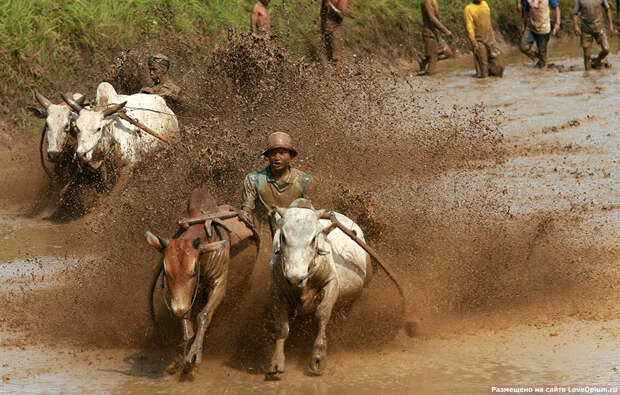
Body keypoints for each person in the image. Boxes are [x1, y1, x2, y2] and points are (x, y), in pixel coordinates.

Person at [240, 132, 315, 236]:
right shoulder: (253, 180)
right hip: (262, 234)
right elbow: (246, 210)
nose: (277, 157)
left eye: (282, 153)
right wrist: (245, 215)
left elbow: (311, 214)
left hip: (294, 234)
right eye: (273, 154)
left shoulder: (304, 181)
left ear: (291, 156)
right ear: (268, 156)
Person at [464, 0, 506, 78]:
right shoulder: (469, 8)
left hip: (490, 39)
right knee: (483, 68)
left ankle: (493, 81)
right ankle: (484, 83)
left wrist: (493, 37)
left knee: (500, 65)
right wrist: (474, 42)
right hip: (479, 40)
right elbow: (469, 28)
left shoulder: (485, 4)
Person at [573, 0, 616, 70]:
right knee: (587, 56)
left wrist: (611, 25)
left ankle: (597, 61)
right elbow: (575, 13)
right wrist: (576, 26)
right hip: (586, 29)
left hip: (599, 27)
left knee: (606, 49)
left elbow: (607, 9)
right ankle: (587, 73)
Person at [520, 0, 561, 68]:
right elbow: (526, 11)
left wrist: (557, 23)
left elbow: (556, 8)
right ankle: (540, 58)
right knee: (523, 47)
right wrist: (523, 25)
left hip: (544, 28)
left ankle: (542, 68)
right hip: (531, 27)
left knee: (542, 55)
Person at [419, 0, 454, 75]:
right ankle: (429, 77)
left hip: (436, 34)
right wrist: (445, 31)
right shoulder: (425, 2)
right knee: (433, 61)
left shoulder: (432, 2)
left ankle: (425, 61)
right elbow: (432, 18)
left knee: (448, 53)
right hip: (429, 34)